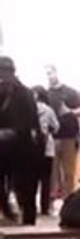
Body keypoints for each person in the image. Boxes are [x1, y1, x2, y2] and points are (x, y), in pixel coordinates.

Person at [0, 56, 43, 225]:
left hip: (24, 149)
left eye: (6, 72)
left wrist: (12, 131)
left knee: (25, 189)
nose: (3, 77)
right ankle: (8, 212)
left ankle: (28, 221)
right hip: (3, 149)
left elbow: (31, 121)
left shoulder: (24, 93)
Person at [45, 67, 80, 200]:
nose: (49, 76)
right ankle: (52, 198)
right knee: (52, 171)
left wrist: (69, 111)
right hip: (52, 137)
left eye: (51, 73)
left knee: (69, 170)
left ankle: (69, 198)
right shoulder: (46, 93)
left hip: (69, 136)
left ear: (57, 73)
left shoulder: (70, 92)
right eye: (47, 74)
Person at [33, 88, 58, 216]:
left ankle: (29, 206)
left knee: (32, 179)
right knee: (46, 180)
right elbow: (56, 127)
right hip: (47, 149)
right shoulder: (48, 110)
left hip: (31, 149)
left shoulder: (28, 109)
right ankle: (44, 207)